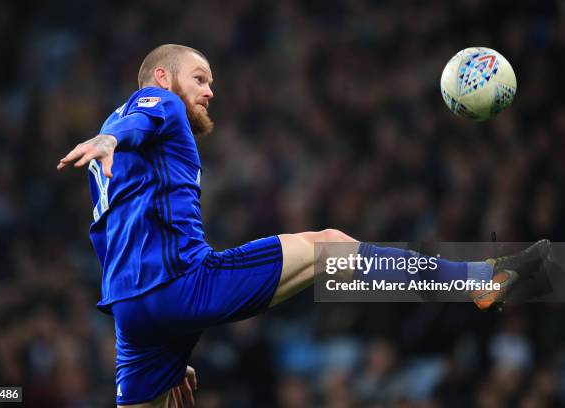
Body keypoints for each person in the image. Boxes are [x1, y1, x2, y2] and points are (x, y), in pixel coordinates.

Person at [57, 44, 550, 407]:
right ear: (163, 77)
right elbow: (139, 119)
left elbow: (112, 233)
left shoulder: (121, 154)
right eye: (200, 78)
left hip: (131, 312)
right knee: (329, 247)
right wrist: (109, 138)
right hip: (183, 284)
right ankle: (481, 282)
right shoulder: (154, 104)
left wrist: (166, 333)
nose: (211, 90)